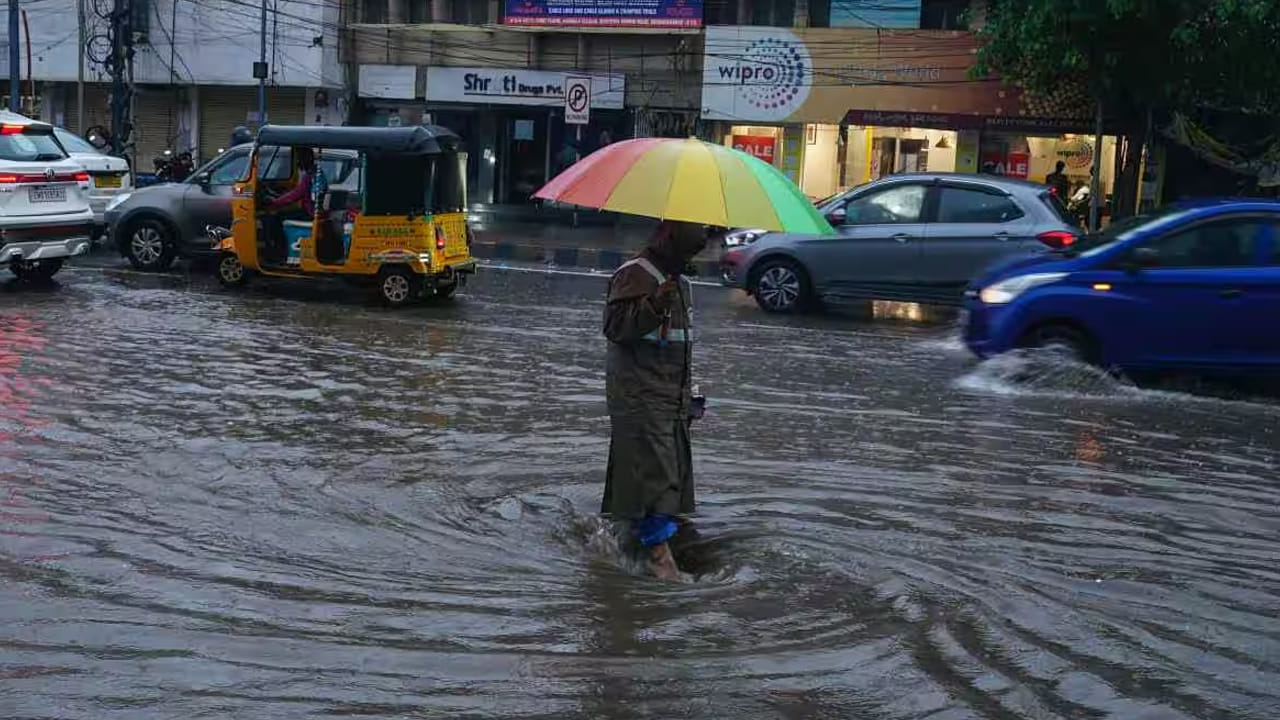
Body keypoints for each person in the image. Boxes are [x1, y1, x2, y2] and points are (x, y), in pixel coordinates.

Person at [601, 220, 708, 581]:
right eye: (687, 249)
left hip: (670, 396)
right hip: (641, 395)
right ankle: (658, 559)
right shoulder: (635, 275)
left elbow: (678, 345)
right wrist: (652, 304)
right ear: (666, 239)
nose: (691, 257)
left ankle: (631, 537)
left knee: (670, 471)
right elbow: (616, 328)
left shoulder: (681, 283)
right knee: (655, 474)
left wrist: (689, 395)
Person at [263, 148, 327, 264]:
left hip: (310, 213)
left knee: (275, 219)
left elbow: (295, 195)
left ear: (306, 160)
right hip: (312, 211)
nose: (298, 163)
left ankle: (280, 252)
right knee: (282, 214)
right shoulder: (316, 172)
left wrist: (275, 202)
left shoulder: (310, 175)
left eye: (300, 160)